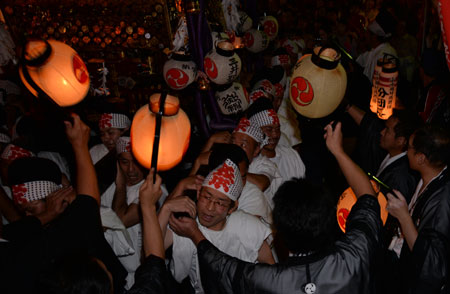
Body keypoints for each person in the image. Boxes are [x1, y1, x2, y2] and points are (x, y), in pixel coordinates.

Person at [169, 122, 383, 294]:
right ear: (331, 220)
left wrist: (195, 234)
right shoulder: (354, 254)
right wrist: (339, 152)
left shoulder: (269, 280)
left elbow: (220, 264)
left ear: (279, 233)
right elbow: (367, 196)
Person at [2, 113, 127, 294]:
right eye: (23, 211)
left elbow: (87, 203)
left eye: (31, 208)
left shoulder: (71, 225)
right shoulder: (29, 243)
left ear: (56, 197)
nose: (29, 216)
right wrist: (80, 145)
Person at [159, 158, 275, 293]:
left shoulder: (247, 225)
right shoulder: (186, 226)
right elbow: (152, 252)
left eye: (220, 203)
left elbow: (271, 271)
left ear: (232, 208)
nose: (209, 208)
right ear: (198, 194)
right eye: (206, 197)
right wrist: (165, 208)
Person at [386, 125, 450, 293]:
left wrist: (404, 217)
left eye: (409, 147)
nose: (406, 151)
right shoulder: (429, 176)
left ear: (421, 158)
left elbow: (432, 265)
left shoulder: (442, 202)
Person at [346, 105, 422, 199]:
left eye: (387, 130)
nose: (381, 132)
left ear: (400, 141)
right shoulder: (390, 153)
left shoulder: (400, 178)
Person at [356, 8, 398, 82]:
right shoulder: (372, 50)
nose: (365, 35)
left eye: (368, 33)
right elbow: (357, 64)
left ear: (374, 37)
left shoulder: (387, 55)